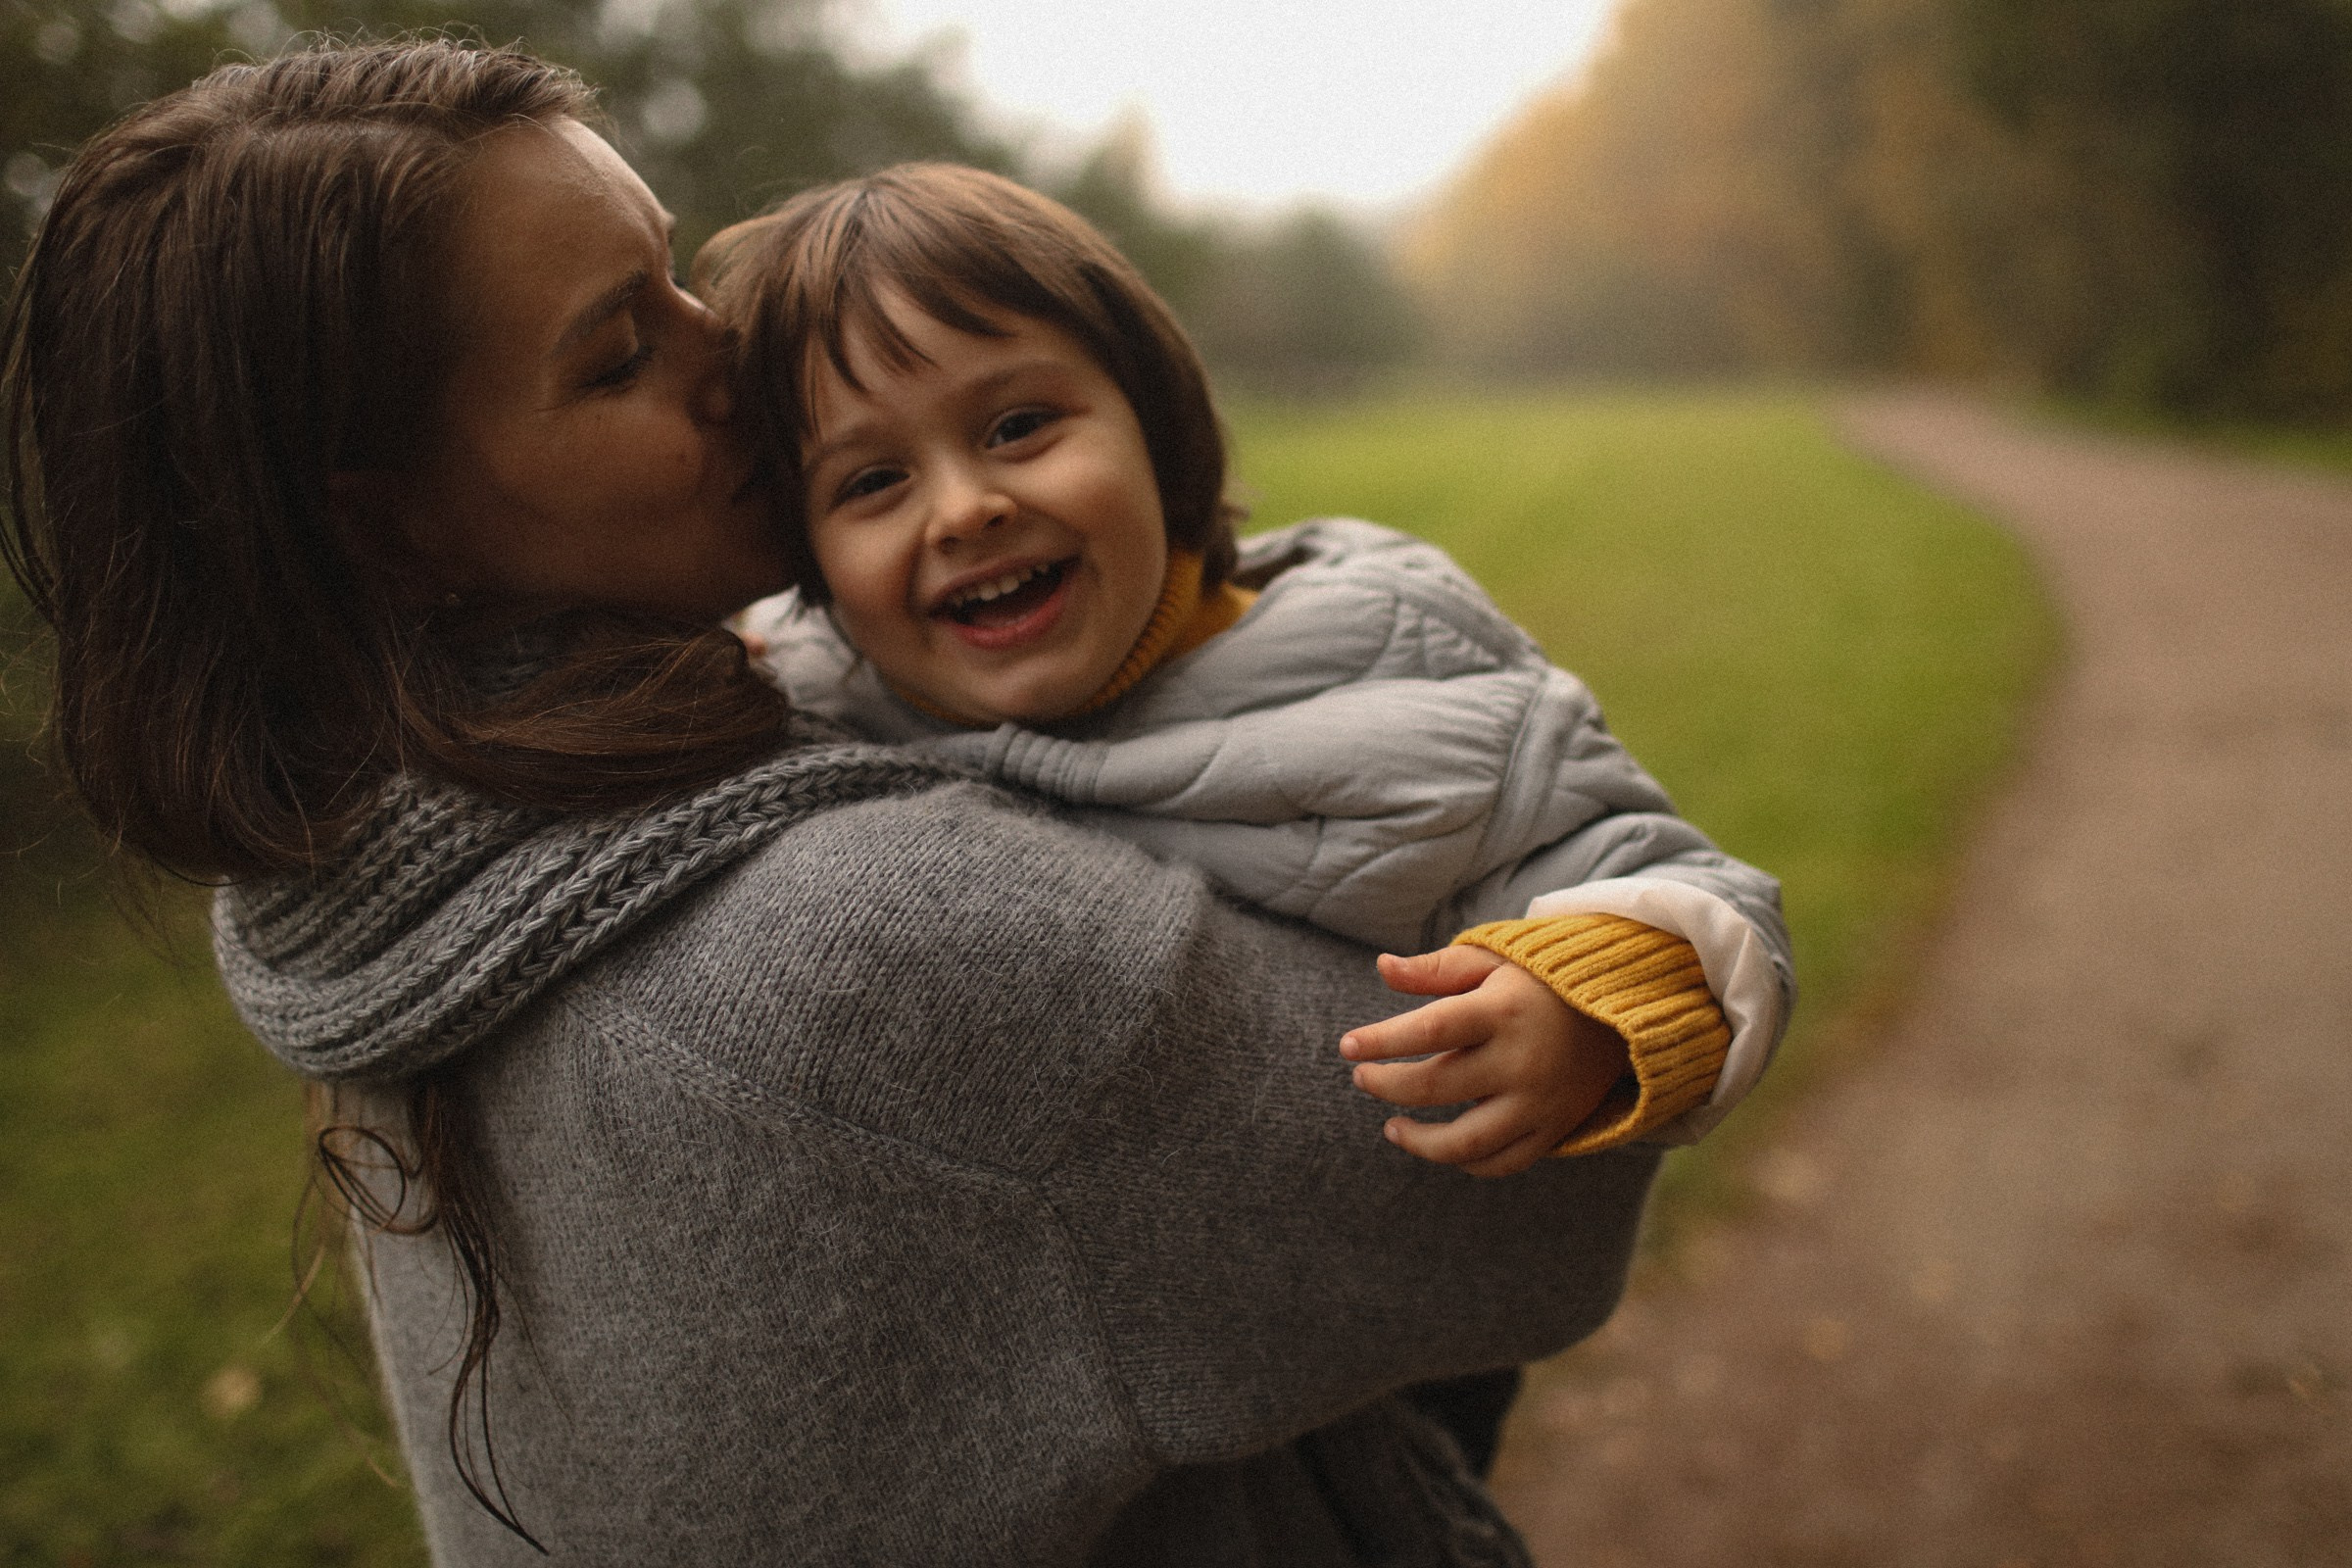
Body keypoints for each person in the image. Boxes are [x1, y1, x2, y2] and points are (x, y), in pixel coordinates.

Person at [1, 39, 1777, 1568]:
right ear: (390, 518)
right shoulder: (879, 948)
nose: (735, 362)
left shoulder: (378, 883)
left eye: (680, 281)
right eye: (623, 353)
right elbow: (1515, 1219)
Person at [699, 167, 1794, 1475]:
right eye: (871, 481)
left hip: (1365, 1401)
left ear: (1157, 427)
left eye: (1018, 426)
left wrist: (1590, 1006)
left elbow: (1684, 891)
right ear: (810, 570)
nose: (965, 506)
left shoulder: (1391, 670)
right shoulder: (814, 699)